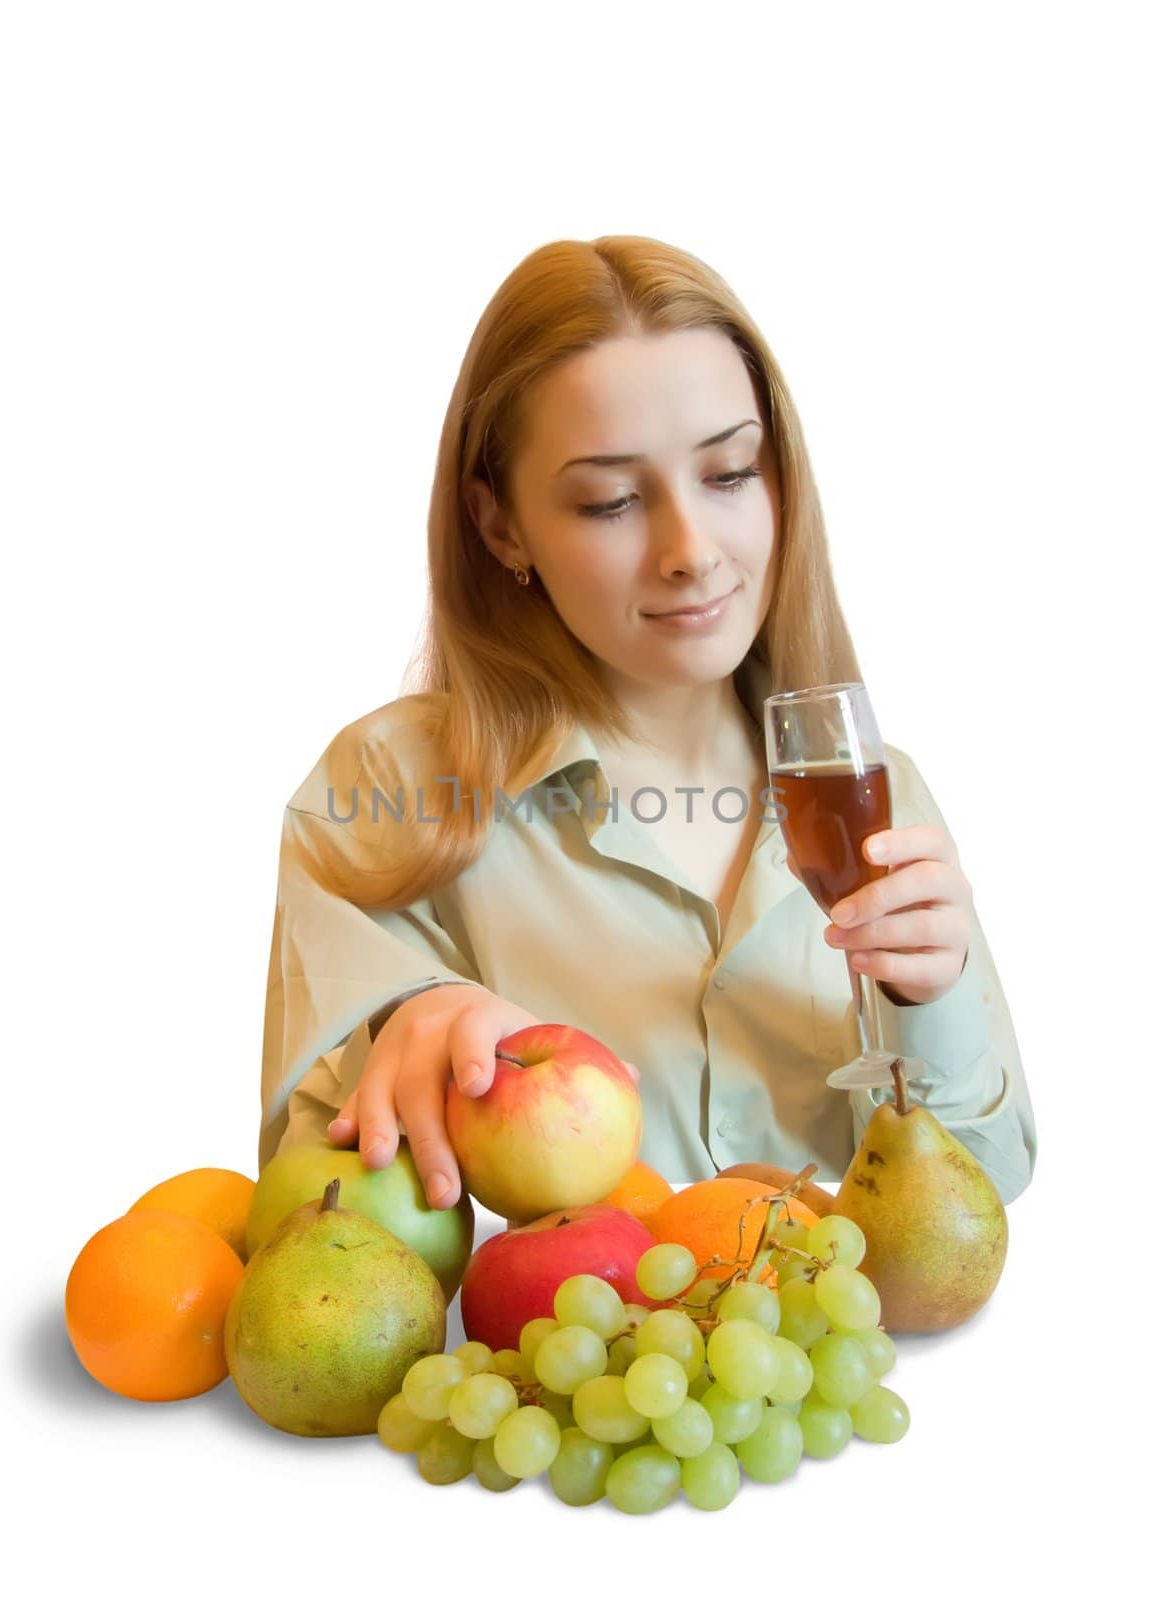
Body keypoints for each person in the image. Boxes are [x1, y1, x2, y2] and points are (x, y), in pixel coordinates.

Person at [258, 234, 1037, 1212]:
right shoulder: (383, 791)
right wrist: (412, 1025)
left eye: (729, 473)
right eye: (611, 500)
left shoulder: (876, 792)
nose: (691, 550)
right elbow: (306, 1227)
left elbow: (981, 1191)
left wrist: (931, 1000)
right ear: (501, 527)